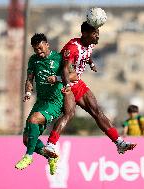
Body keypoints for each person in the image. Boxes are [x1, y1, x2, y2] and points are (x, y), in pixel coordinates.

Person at [44, 21, 137, 158]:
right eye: (94, 34)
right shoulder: (72, 47)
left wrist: (91, 63)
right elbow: (64, 68)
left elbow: (87, 55)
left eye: (98, 34)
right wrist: (66, 85)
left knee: (97, 111)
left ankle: (119, 143)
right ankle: (50, 144)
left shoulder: (90, 44)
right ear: (85, 34)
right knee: (69, 114)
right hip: (65, 82)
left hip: (78, 82)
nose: (97, 36)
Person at [15, 33, 77, 174]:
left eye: (41, 48)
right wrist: (28, 92)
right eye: (36, 49)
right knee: (27, 138)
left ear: (47, 44)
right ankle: (49, 156)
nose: (39, 52)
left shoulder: (59, 58)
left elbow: (74, 75)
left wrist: (57, 78)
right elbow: (29, 79)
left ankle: (28, 156)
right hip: (40, 102)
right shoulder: (33, 60)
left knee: (33, 119)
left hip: (55, 102)